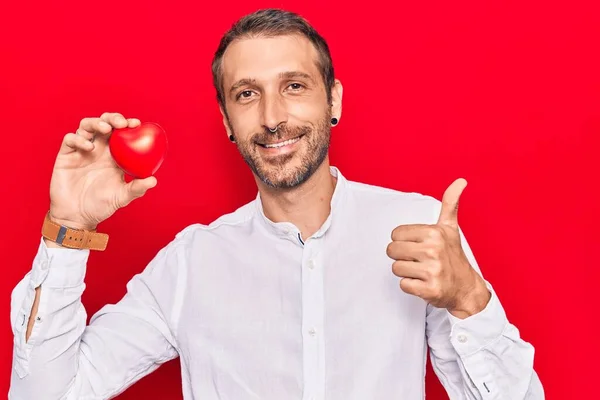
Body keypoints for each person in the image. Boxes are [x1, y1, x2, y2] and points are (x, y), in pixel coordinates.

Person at [9, 8, 544, 400]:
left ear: (332, 99)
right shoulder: (191, 263)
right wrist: (68, 227)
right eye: (246, 94)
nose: (271, 116)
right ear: (227, 122)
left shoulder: (421, 230)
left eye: (293, 86)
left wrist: (471, 300)